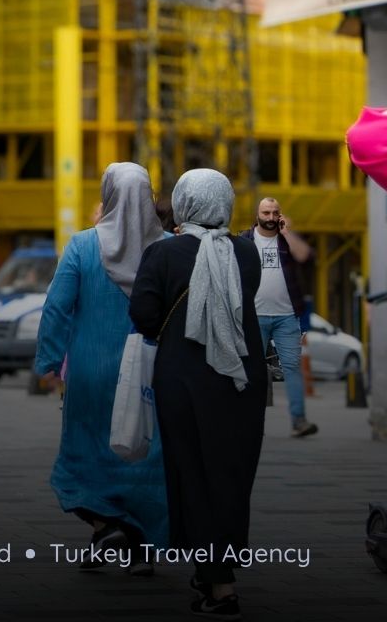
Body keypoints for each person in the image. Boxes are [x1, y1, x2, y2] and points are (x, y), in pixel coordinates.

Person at [130, 168, 266, 618]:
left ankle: (218, 583)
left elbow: (145, 316)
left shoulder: (163, 255)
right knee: (231, 476)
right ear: (224, 203)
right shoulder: (246, 253)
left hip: (184, 379)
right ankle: (218, 570)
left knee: (193, 474)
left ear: (184, 202)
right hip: (240, 381)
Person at [34, 162, 171, 573]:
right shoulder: (167, 248)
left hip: (92, 374)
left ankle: (107, 525)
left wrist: (48, 359)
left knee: (86, 453)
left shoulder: (81, 245)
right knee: (144, 457)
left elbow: (56, 308)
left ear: (108, 195)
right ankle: (138, 541)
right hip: (150, 372)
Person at [237, 198, 317, 439]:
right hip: (254, 315)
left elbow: (304, 256)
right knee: (252, 370)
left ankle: (299, 421)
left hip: (287, 317)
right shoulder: (244, 240)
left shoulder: (286, 239)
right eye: (266, 213)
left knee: (292, 368)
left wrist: (287, 233)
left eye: (274, 213)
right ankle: (247, 421)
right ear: (257, 214)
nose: (270, 217)